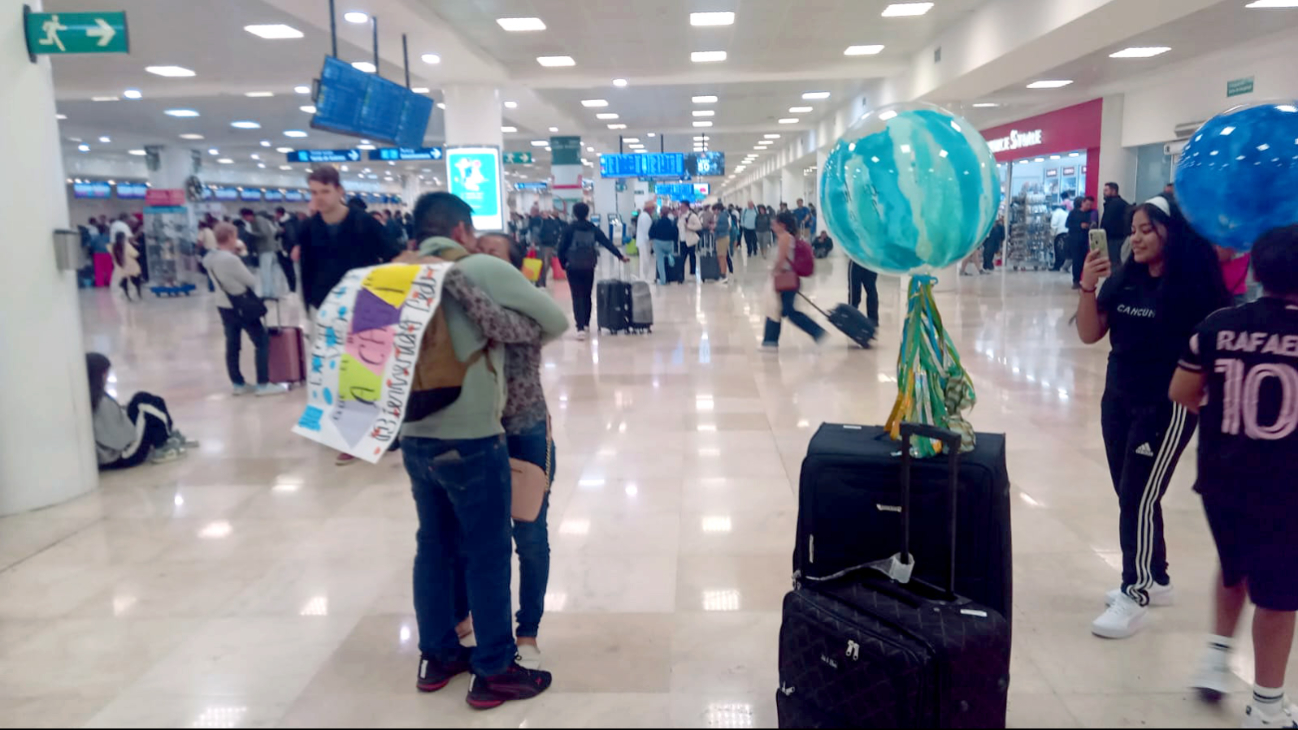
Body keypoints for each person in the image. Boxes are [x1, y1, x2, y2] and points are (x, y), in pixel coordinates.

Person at [403, 191, 566, 709]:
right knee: (489, 551)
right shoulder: (475, 268)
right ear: (459, 232)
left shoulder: (391, 271)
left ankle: (437, 655)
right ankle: (494, 668)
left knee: (433, 544)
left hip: (411, 432)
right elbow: (555, 322)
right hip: (471, 431)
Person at [1076, 195, 1231, 640]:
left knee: (1138, 495)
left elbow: (1215, 352)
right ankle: (1157, 577)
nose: (1137, 238)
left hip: (1166, 406)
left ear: (1171, 232)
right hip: (1118, 398)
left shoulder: (1195, 287)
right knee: (1132, 493)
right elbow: (1090, 333)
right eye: (1135, 229)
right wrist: (1089, 285)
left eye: (1147, 230)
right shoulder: (1125, 278)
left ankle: (1136, 589)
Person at [1171, 226, 1298, 728]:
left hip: (1222, 480)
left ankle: (1216, 658)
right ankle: (1267, 707)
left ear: (1257, 270)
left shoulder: (1217, 325)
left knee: (1234, 566)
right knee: (1281, 596)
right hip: (1288, 488)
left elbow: (1182, 391)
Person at [439, 233, 557, 671]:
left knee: (528, 536)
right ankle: (465, 616)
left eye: (492, 253)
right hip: (473, 432)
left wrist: (453, 279)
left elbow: (498, 326)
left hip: (524, 431)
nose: (480, 259)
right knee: (468, 535)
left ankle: (528, 630)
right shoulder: (456, 310)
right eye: (477, 252)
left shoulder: (526, 312)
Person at [293, 167, 402, 464]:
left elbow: (393, 256)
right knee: (333, 371)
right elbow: (307, 271)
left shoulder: (363, 223)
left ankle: (382, 430)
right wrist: (310, 307)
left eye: (324, 191)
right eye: (314, 192)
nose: (319, 198)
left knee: (367, 370)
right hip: (325, 308)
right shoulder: (308, 228)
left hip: (366, 305)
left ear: (339, 190)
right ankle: (345, 432)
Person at [205, 223, 288, 398]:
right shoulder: (231, 260)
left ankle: (238, 383)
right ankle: (263, 384)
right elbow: (250, 280)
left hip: (223, 305)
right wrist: (243, 255)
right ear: (229, 237)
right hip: (242, 305)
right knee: (261, 341)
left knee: (233, 344)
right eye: (234, 236)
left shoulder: (209, 258)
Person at [87, 353, 196, 468]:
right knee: (143, 404)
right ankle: (164, 443)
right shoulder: (99, 401)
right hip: (123, 456)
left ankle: (167, 436)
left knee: (148, 401)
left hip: (117, 452)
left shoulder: (94, 397)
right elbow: (119, 439)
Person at [558, 202, 628, 340]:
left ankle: (579, 328)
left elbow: (561, 248)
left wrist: (563, 264)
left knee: (576, 295)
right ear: (587, 213)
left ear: (574, 213)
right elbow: (606, 242)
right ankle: (586, 324)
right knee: (587, 294)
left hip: (573, 266)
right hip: (588, 265)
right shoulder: (592, 228)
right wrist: (620, 256)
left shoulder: (569, 228)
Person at [762, 211, 826, 349]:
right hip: (789, 278)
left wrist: (774, 273)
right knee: (777, 309)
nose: (772, 226)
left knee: (785, 310)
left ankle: (817, 332)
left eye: (775, 223)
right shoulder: (787, 236)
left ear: (782, 225)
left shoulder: (784, 237)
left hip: (786, 278)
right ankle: (769, 341)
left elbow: (781, 258)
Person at [240, 208, 280, 299]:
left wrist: (251, 234)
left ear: (248, 215)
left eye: (244, 217)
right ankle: (271, 293)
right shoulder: (255, 221)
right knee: (268, 273)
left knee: (265, 273)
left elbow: (264, 233)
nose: (245, 220)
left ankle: (267, 294)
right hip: (267, 249)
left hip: (266, 249)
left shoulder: (258, 220)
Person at [1066, 196, 1095, 289]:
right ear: (1082, 203)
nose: (1088, 206)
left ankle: (1081, 279)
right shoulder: (1074, 213)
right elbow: (1067, 224)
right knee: (1076, 260)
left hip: (1085, 240)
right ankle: (1076, 280)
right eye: (1087, 204)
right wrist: (1079, 226)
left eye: (1090, 205)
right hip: (1074, 240)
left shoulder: (1090, 214)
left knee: (1083, 260)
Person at [1101, 183, 1131, 268]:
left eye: (1106, 190)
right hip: (1120, 236)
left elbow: (1107, 221)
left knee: (1113, 261)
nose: (1104, 192)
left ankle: (1115, 279)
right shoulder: (1122, 203)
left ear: (1113, 191)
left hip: (1113, 237)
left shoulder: (1113, 204)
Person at [649, 206, 678, 285]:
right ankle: (670, 258)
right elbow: (676, 234)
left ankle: (663, 280)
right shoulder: (672, 222)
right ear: (668, 213)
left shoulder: (656, 222)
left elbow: (651, 234)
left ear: (660, 213)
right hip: (669, 243)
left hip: (658, 243)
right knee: (670, 258)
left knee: (660, 261)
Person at [110, 231, 142, 301]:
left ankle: (127, 296)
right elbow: (135, 254)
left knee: (125, 281)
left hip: (121, 267)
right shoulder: (126, 245)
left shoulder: (113, 247)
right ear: (123, 238)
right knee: (136, 281)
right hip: (131, 267)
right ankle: (139, 295)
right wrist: (135, 246)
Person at [275, 207, 299, 293]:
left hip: (286, 250)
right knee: (289, 270)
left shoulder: (287, 223)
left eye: (276, 213)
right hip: (285, 249)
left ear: (279, 214)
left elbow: (290, 237)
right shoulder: (284, 222)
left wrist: (286, 249)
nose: (275, 215)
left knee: (289, 270)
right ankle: (291, 289)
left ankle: (292, 289)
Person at [848, 258, 880, 325]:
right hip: (872, 259)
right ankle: (873, 319)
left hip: (857, 258)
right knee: (871, 289)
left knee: (854, 290)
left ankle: (851, 317)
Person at [537, 211, 564, 286]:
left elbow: (558, 230)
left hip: (549, 244)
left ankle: (541, 280)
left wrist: (555, 238)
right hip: (543, 244)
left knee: (547, 262)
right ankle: (541, 280)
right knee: (545, 262)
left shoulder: (551, 222)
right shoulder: (541, 222)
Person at [677, 201, 702, 279]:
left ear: (687, 207)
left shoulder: (692, 216)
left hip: (690, 240)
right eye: (680, 206)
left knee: (692, 256)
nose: (681, 208)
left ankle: (692, 273)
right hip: (682, 239)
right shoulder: (680, 216)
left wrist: (689, 227)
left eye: (683, 206)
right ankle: (681, 275)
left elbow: (699, 226)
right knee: (682, 258)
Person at [636, 200, 656, 282]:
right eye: (653, 209)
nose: (654, 210)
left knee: (645, 259)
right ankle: (645, 278)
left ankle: (644, 277)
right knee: (645, 260)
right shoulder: (645, 217)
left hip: (643, 241)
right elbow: (647, 231)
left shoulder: (643, 215)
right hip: (644, 242)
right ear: (650, 208)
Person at [712, 202, 731, 283]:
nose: (714, 212)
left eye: (714, 210)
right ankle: (722, 274)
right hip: (721, 237)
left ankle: (723, 275)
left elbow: (724, 227)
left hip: (722, 238)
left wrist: (715, 227)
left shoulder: (722, 216)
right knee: (720, 256)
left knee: (722, 256)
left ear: (718, 209)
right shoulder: (722, 215)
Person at [1051, 204, 1071, 271]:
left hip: (1059, 233)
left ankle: (1057, 266)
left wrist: (1053, 234)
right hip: (1067, 233)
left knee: (1057, 251)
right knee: (1064, 250)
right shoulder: (1066, 213)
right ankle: (1063, 265)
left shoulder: (1056, 213)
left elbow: (1053, 224)